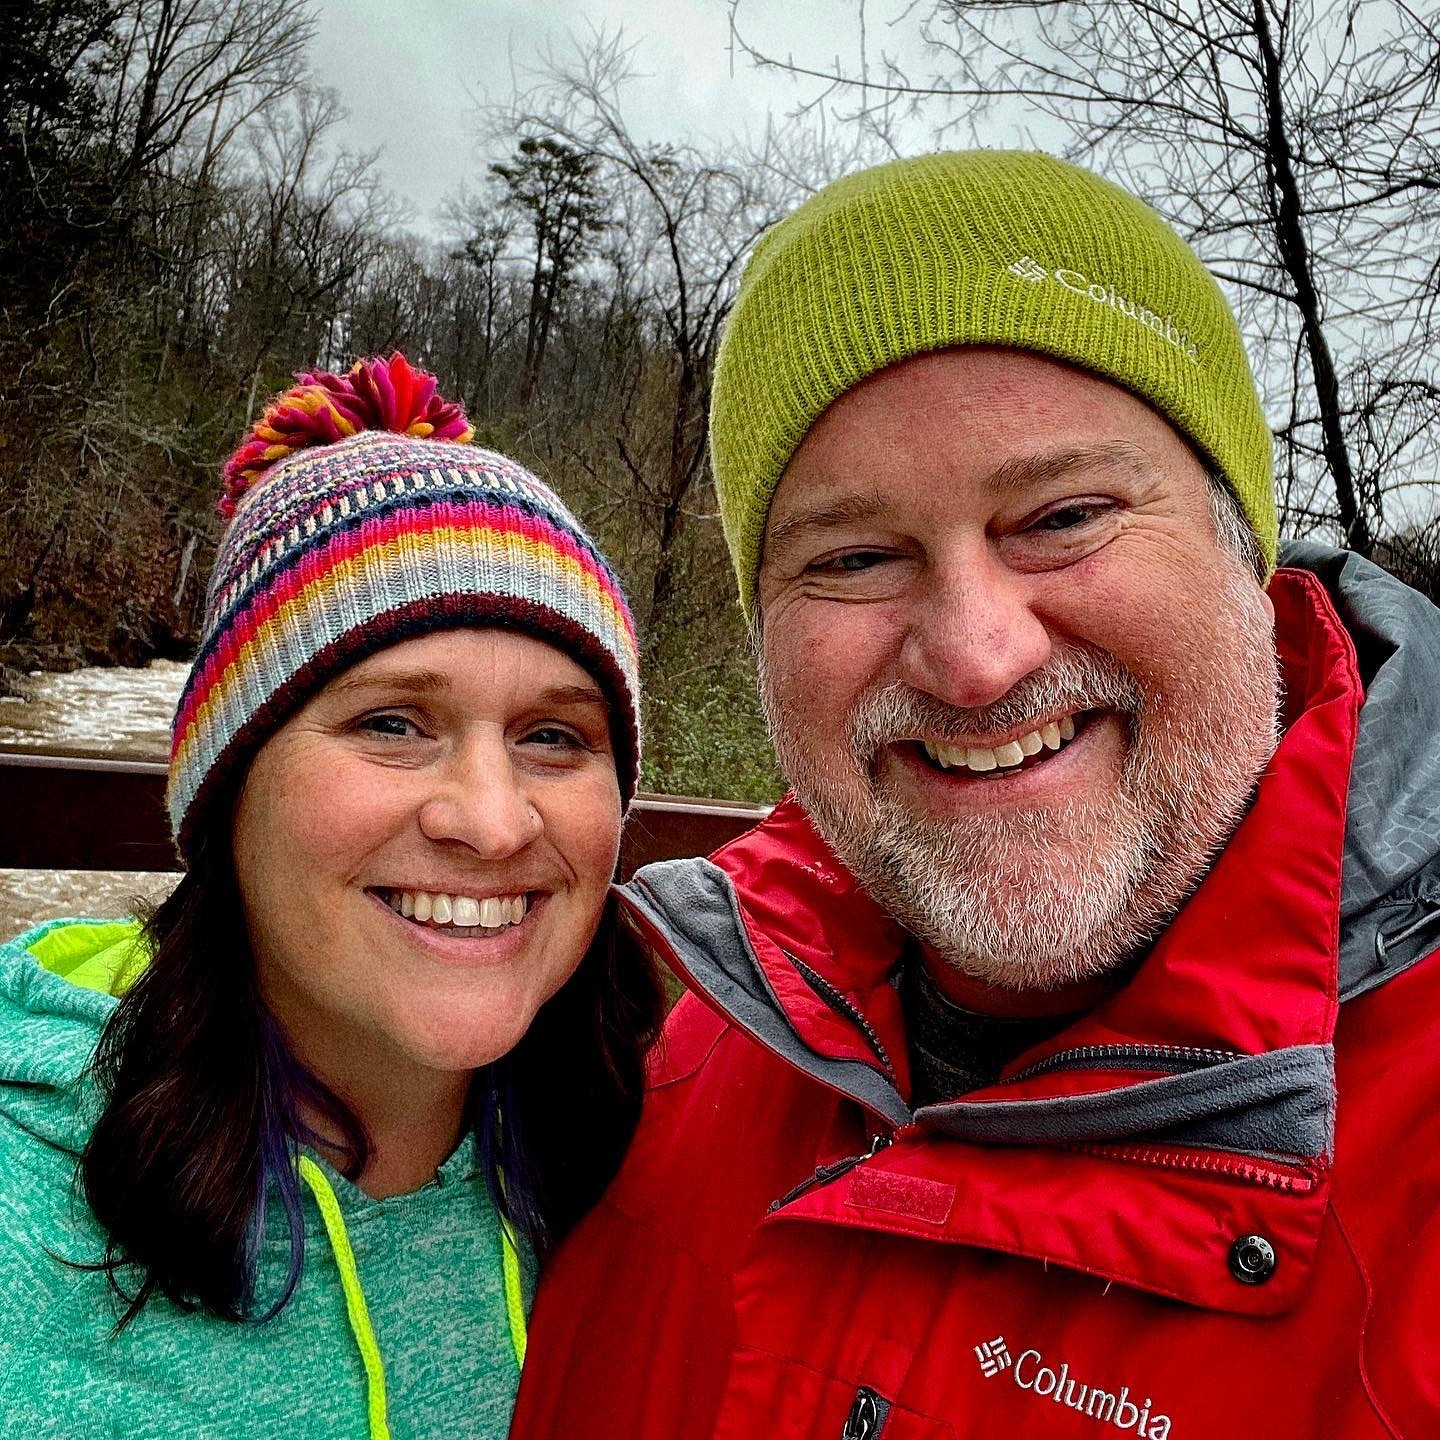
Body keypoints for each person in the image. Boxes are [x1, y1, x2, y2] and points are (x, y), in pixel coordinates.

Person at [509, 152, 1440, 1439]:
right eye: (854, 558)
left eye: (1061, 516)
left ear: (1245, 552)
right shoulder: (707, 1045)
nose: (974, 656)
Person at [0, 354, 662, 1439]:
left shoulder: (660, 1157)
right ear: (229, 791)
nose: (495, 822)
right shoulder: (23, 1210)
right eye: (392, 723)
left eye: (554, 736)